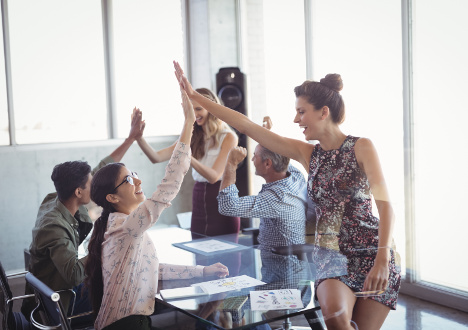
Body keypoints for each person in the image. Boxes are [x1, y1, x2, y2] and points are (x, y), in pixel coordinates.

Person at [173, 61, 401, 330]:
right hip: (331, 259)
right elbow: (246, 126)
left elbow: (386, 208)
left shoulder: (362, 147)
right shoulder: (308, 155)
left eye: (301, 112)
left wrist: (382, 260)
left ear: (323, 112)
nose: (296, 119)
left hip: (373, 253)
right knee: (336, 317)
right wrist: (196, 97)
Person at [84, 89, 229, 330]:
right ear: (112, 197)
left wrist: (203, 271)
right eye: (129, 180)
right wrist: (188, 121)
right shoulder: (126, 226)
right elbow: (169, 185)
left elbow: (153, 269)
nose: (138, 182)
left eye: (134, 175)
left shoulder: (123, 225)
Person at [21, 108, 145, 320]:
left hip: (54, 285)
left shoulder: (58, 197)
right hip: (59, 300)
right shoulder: (54, 227)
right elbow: (74, 275)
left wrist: (130, 139)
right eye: (91, 184)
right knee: (122, 291)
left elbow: (101, 169)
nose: (95, 185)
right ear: (78, 192)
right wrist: (103, 246)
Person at [136, 88, 240, 237]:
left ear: (211, 109)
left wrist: (187, 155)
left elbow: (214, 177)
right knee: (199, 254)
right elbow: (156, 157)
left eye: (199, 109)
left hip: (220, 199)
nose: (195, 114)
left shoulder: (229, 137)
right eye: (191, 110)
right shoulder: (191, 136)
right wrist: (139, 138)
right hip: (198, 198)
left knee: (226, 256)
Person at [217, 116, 307, 252]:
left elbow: (227, 206)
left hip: (278, 269)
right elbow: (282, 155)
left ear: (267, 164)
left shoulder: (276, 198)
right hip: (291, 265)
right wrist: (267, 136)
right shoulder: (296, 177)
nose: (252, 159)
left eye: (255, 155)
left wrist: (231, 164)